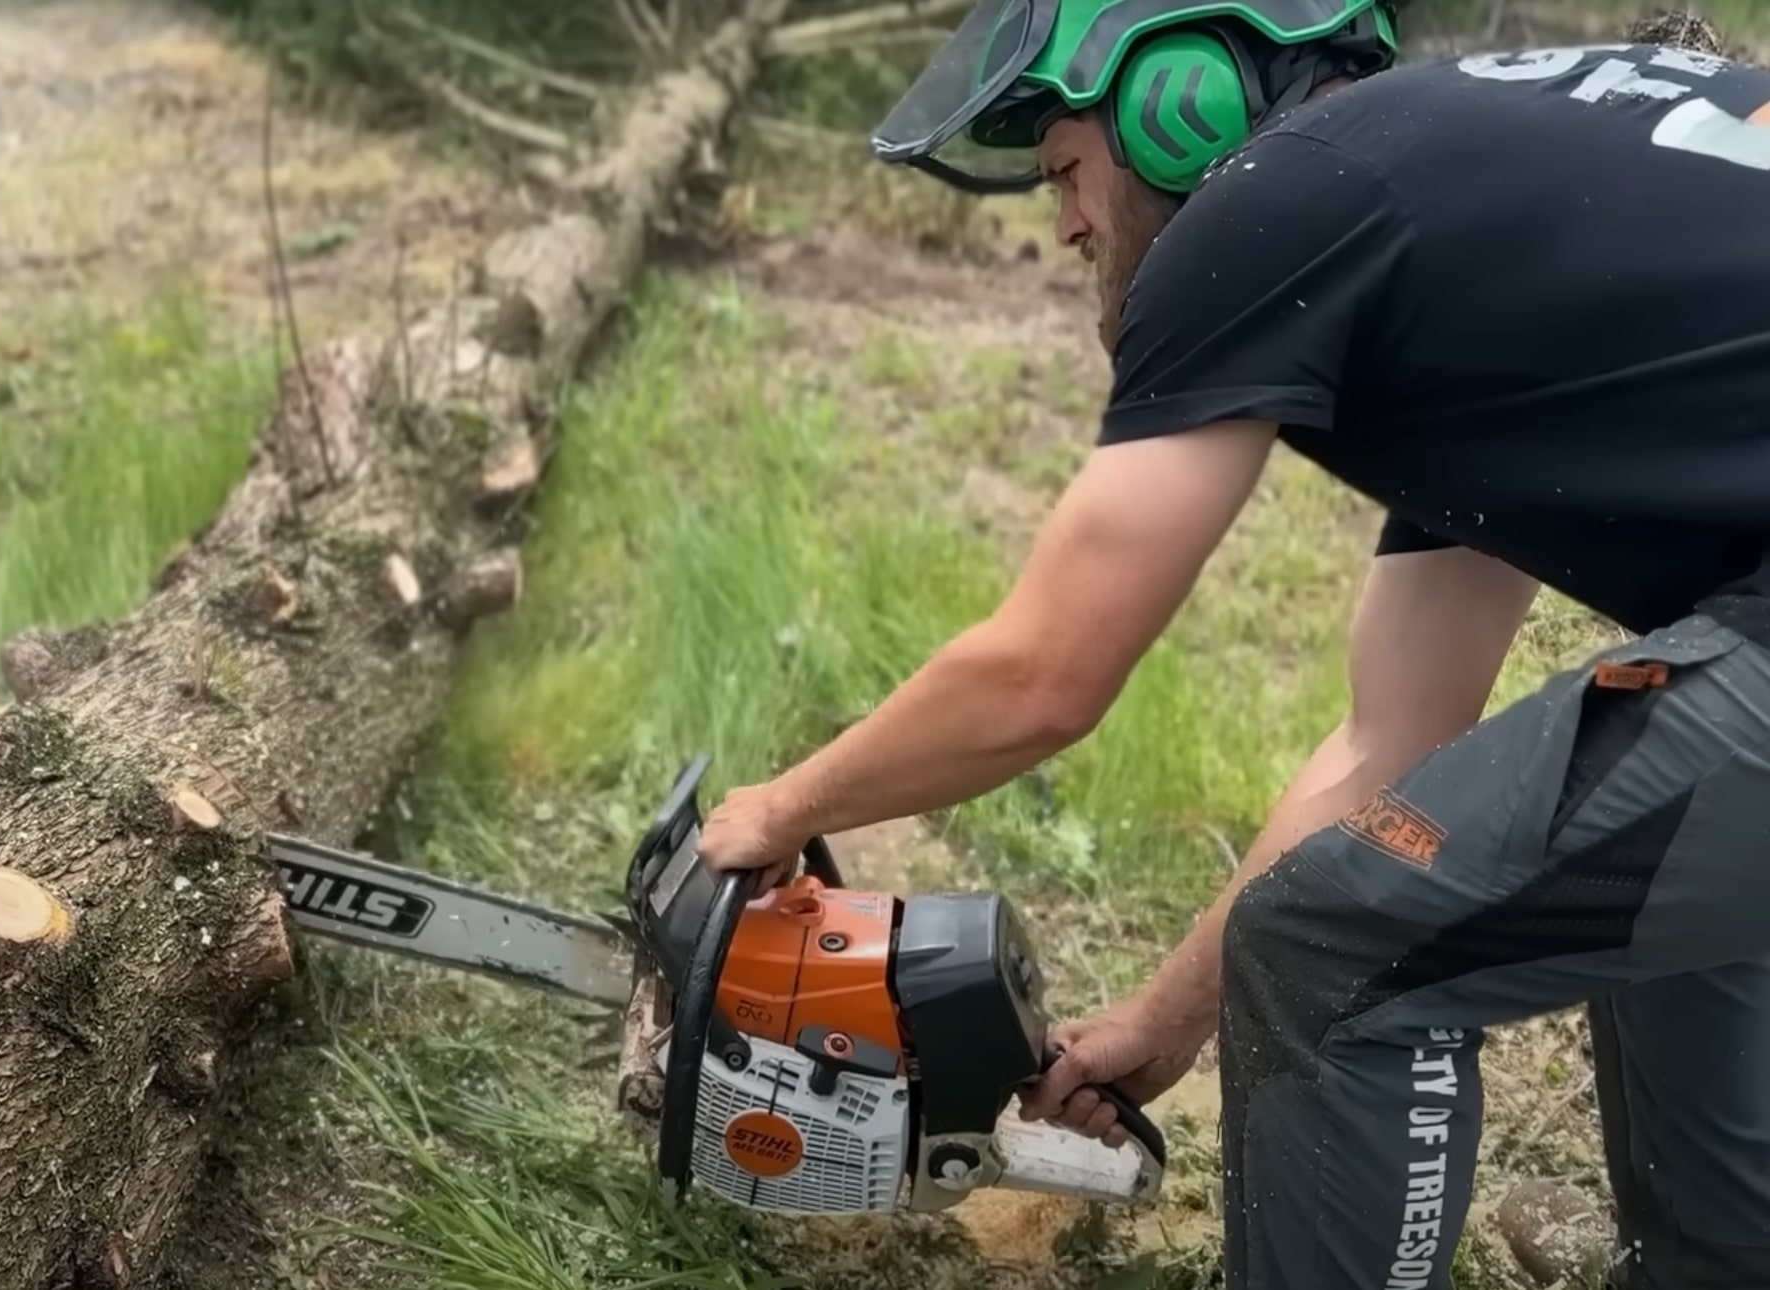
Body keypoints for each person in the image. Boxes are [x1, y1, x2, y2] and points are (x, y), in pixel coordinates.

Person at [690, 2, 1770, 1286]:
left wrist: (775, 808)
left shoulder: (1275, 195)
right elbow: (1393, 735)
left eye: (1065, 171)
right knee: (1640, 860)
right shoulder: (1468, 218)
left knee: (1335, 956)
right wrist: (1166, 1019)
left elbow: (1045, 673)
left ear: (1178, 101)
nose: (1068, 229)